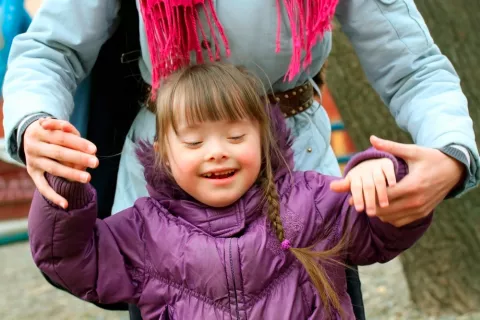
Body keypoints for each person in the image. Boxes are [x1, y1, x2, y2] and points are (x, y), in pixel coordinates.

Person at [2, 1, 478, 319]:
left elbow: (412, 65)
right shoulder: (142, 233)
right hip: (166, 184)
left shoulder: (321, 209)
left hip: (304, 182)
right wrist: (36, 126)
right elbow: (51, 47)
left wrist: (449, 152)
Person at [28, 63, 433, 320]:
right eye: (194, 143)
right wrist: (65, 186)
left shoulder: (313, 202)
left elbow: (385, 229)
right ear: (164, 154)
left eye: (236, 136)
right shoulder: (141, 230)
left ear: (264, 139)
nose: (217, 152)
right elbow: (70, 259)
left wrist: (382, 174)